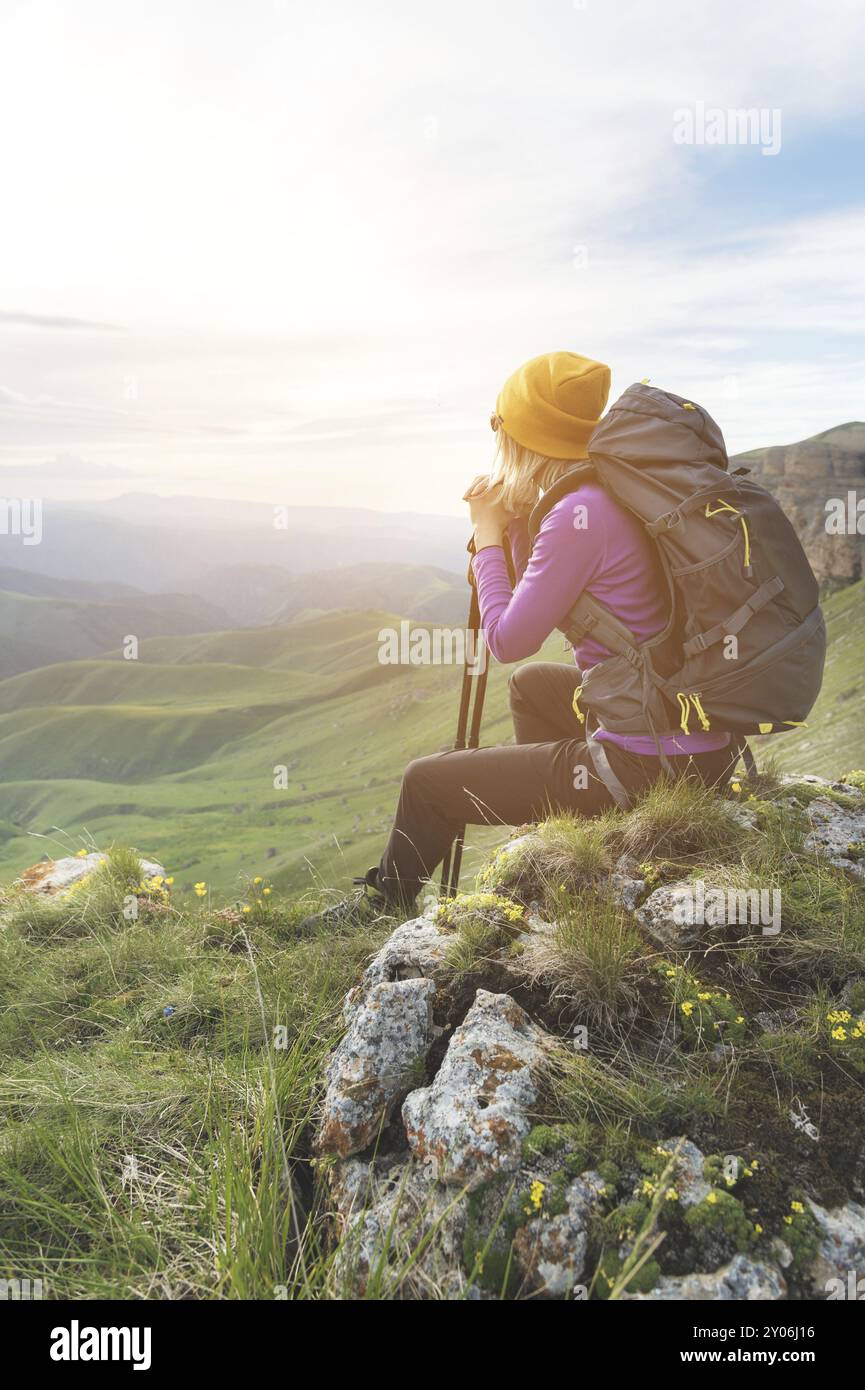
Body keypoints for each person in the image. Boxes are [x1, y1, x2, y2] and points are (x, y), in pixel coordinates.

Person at [306, 351, 736, 929]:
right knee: (535, 689)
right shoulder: (619, 492)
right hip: (698, 737)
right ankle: (558, 841)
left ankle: (380, 906)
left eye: (499, 425)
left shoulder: (577, 514)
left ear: (522, 436)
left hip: (651, 764)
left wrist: (486, 537)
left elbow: (507, 640)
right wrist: (508, 530)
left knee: (426, 780)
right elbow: (543, 608)